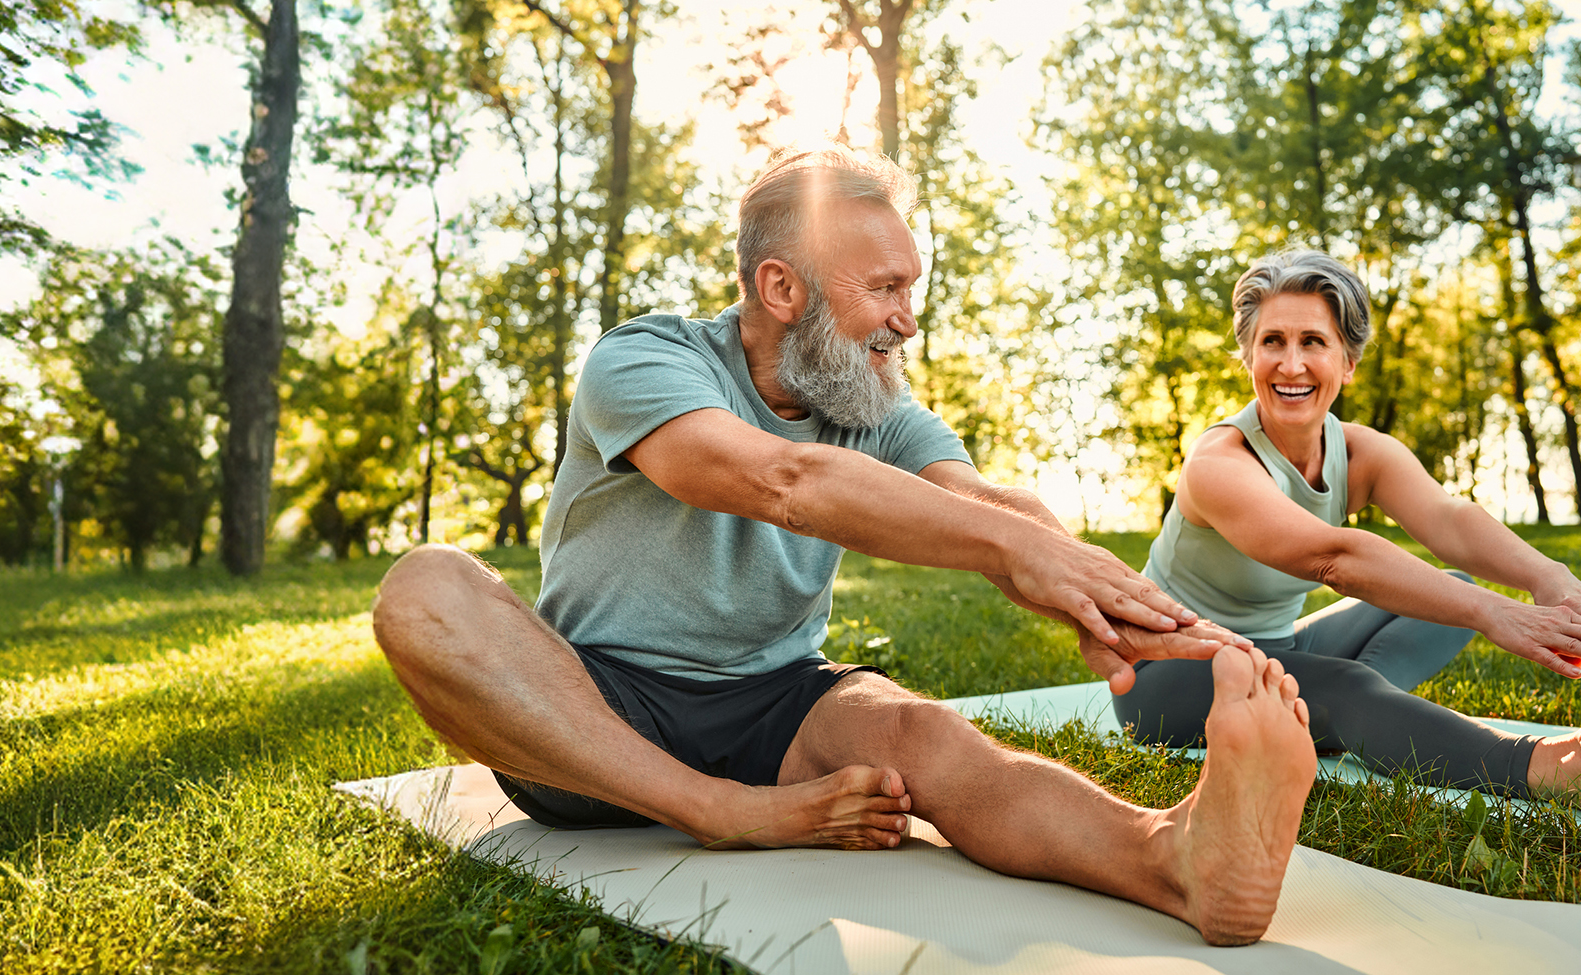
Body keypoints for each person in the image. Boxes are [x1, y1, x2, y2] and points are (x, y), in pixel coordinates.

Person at [370, 148, 1320, 946]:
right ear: (781, 288)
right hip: (594, 708)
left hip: (777, 704)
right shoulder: (645, 360)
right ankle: (717, 811)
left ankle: (1177, 860)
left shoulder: (873, 402)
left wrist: (1102, 594)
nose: (909, 317)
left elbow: (989, 503)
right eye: (887, 288)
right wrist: (1002, 544)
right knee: (426, 586)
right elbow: (782, 483)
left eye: (914, 287)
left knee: (925, 734)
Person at [1111, 250, 1581, 821]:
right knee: (1350, 683)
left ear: (1347, 362)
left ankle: (1330, 715)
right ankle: (1564, 768)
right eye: (1272, 341)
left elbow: (1449, 521)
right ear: (1248, 357)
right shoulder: (1219, 462)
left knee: (1442, 592)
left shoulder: (1357, 451)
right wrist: (1498, 613)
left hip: (1273, 648)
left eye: (1313, 342)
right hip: (1164, 674)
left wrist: (1552, 581)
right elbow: (1333, 558)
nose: (1291, 364)